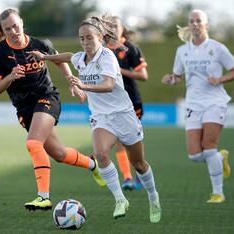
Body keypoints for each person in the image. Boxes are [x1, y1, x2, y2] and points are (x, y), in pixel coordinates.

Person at [28, 15, 161, 222]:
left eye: (89, 38)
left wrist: (82, 86)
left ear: (100, 37)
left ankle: (153, 197)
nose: (85, 42)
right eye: (82, 38)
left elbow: (108, 85)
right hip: (101, 118)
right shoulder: (81, 58)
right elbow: (67, 56)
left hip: (124, 115)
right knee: (100, 153)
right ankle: (120, 199)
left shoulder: (107, 57)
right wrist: (44, 57)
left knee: (139, 164)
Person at [0, 8, 105, 211]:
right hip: (24, 108)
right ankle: (93, 165)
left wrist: (72, 82)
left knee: (32, 143)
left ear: (21, 22)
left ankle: (43, 197)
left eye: (15, 26)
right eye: (8, 29)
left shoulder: (41, 44)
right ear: (3, 31)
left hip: (47, 97)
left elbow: (58, 60)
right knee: (59, 153)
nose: (13, 31)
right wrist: (9, 77)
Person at [161, 9, 234, 203]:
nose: (195, 24)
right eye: (192, 21)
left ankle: (218, 193)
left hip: (215, 101)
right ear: (189, 25)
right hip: (193, 104)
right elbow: (178, 75)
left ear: (206, 24)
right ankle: (220, 160)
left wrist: (220, 78)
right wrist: (172, 79)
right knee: (195, 155)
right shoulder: (182, 51)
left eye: (199, 21)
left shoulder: (217, 48)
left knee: (209, 148)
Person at [108, 16, 148, 191]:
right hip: (112, 103)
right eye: (108, 26)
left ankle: (139, 172)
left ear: (122, 28)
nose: (112, 28)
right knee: (118, 140)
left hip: (132, 101)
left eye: (115, 25)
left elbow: (143, 75)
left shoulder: (130, 48)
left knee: (132, 140)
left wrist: (121, 71)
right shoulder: (101, 49)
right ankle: (128, 178)